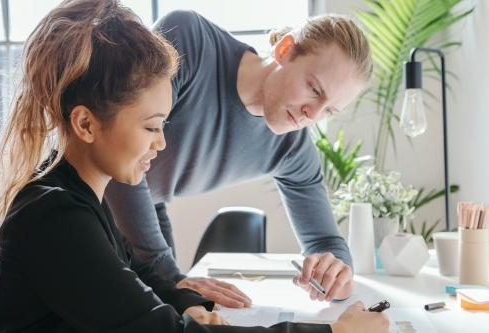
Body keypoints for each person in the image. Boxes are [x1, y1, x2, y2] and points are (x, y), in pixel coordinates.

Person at [0, 1, 389, 332]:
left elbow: (145, 287)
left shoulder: (80, 210)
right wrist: (336, 331)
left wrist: (184, 298)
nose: (312, 114)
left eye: (330, 110)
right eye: (153, 126)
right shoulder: (57, 217)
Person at [104, 9, 373, 307]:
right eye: (314, 89)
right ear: (285, 50)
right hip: (80, 195)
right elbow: (119, 146)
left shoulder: (292, 148)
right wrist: (169, 275)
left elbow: (327, 242)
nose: (313, 114)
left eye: (329, 110)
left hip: (145, 207)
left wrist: (338, 276)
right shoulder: (190, 42)